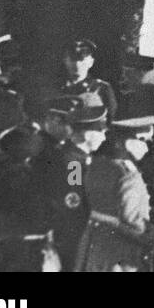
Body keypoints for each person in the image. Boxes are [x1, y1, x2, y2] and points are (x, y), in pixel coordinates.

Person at [73, 88, 154, 272]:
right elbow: (75, 199)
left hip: (94, 245)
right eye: (144, 140)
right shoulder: (77, 163)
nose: (147, 148)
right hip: (119, 254)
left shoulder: (92, 163)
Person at [37, 102, 107, 270]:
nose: (104, 137)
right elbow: (73, 201)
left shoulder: (74, 157)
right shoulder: (73, 163)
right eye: (101, 131)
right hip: (75, 235)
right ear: (87, 134)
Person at [59, 39, 118, 122]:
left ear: (91, 63)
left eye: (82, 60)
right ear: (65, 61)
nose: (77, 64)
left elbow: (110, 120)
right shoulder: (55, 87)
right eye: (73, 59)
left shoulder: (102, 88)